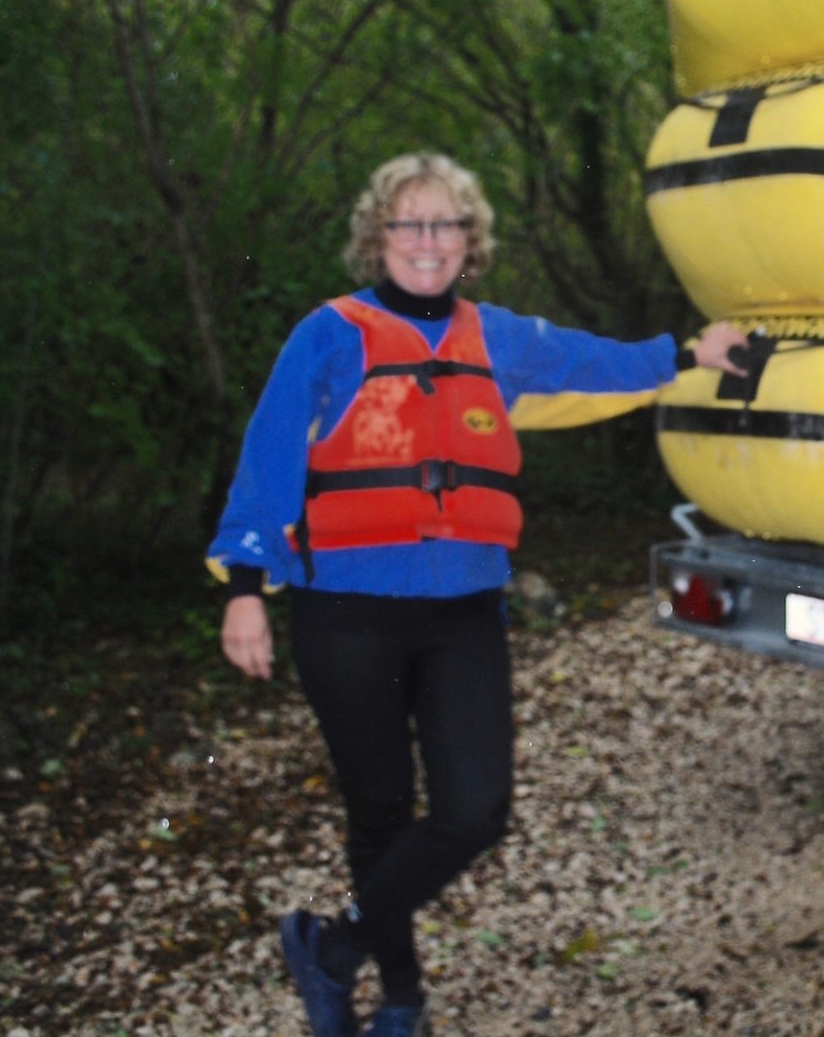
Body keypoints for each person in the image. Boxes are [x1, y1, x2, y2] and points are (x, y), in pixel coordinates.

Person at [207, 153, 746, 1037]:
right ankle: (404, 998)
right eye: (408, 223)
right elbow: (268, 458)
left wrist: (692, 354)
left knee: (473, 810)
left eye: (446, 223)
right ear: (378, 238)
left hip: (462, 614)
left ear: (470, 240)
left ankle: (331, 950)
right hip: (345, 612)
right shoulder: (329, 334)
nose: (427, 241)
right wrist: (245, 588)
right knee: (379, 811)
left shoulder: (500, 337)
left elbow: (598, 361)